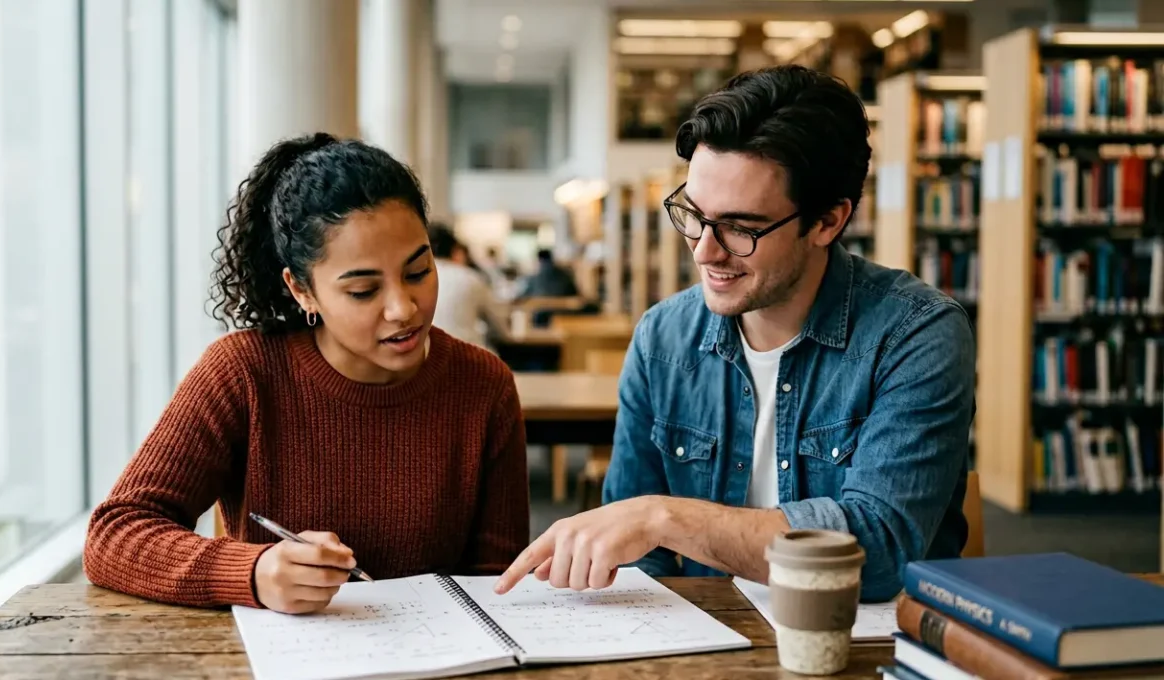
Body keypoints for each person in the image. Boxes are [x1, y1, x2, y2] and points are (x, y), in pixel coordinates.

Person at [494, 65, 975, 603]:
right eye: (694, 215)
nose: (703, 250)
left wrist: (665, 517)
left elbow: (879, 550)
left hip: (864, 646)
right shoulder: (662, 340)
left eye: (741, 228)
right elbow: (639, 562)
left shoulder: (916, 334)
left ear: (827, 222)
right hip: (709, 645)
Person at [84, 133, 530, 615]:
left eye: (419, 272)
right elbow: (115, 533)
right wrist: (252, 572)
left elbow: (497, 580)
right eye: (363, 290)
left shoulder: (484, 384)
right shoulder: (243, 373)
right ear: (302, 291)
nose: (404, 309)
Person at [428, 225, 510, 351]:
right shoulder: (471, 277)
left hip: (425, 357)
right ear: (455, 250)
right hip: (468, 356)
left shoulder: (415, 278)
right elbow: (499, 323)